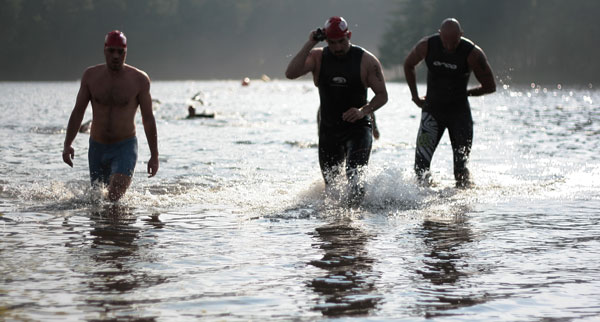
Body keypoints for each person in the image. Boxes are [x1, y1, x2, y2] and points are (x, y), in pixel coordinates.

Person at [286, 16, 388, 206]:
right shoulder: (317, 57)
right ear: (326, 41)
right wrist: (310, 43)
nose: (338, 47)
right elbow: (290, 73)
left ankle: (356, 228)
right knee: (331, 190)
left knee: (355, 181)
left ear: (348, 35)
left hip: (358, 128)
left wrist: (363, 111)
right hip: (329, 131)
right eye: (332, 43)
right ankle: (336, 228)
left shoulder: (366, 60)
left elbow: (382, 95)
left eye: (342, 41)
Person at [62, 30, 159, 201]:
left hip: (125, 147)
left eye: (120, 52)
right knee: (98, 200)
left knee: (114, 195)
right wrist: (67, 144)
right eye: (111, 51)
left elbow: (148, 119)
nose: (115, 55)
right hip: (97, 147)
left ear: (126, 52)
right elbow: (78, 111)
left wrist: (154, 155)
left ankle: (118, 226)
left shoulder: (139, 80)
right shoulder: (91, 76)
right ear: (104, 50)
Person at [403, 18, 496, 188]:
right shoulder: (427, 46)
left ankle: (461, 208)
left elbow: (490, 87)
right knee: (420, 167)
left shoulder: (473, 53)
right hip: (432, 113)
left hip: (459, 115)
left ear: (461, 35)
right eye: (445, 42)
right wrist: (415, 97)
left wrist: (467, 93)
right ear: (439, 35)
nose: (449, 46)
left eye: (454, 42)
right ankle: (423, 205)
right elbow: (408, 65)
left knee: (460, 170)